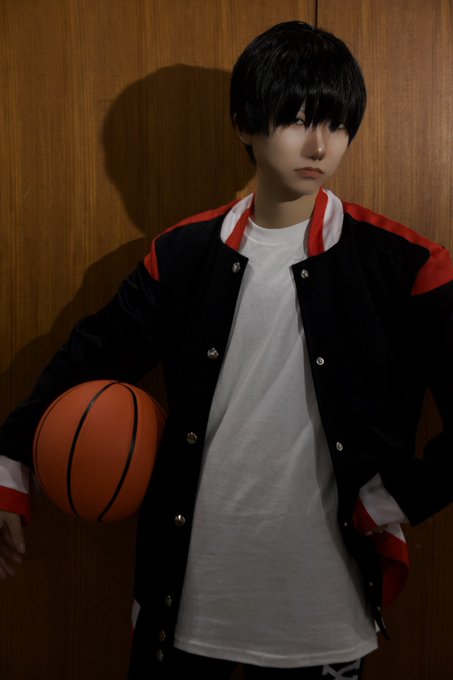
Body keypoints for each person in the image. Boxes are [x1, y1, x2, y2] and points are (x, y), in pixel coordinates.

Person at [1, 19, 453, 680]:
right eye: (297, 119)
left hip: (323, 604)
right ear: (244, 123)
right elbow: (88, 357)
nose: (319, 144)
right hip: (188, 600)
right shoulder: (181, 255)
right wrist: (10, 465)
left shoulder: (405, 263)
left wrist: (390, 499)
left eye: (336, 124)